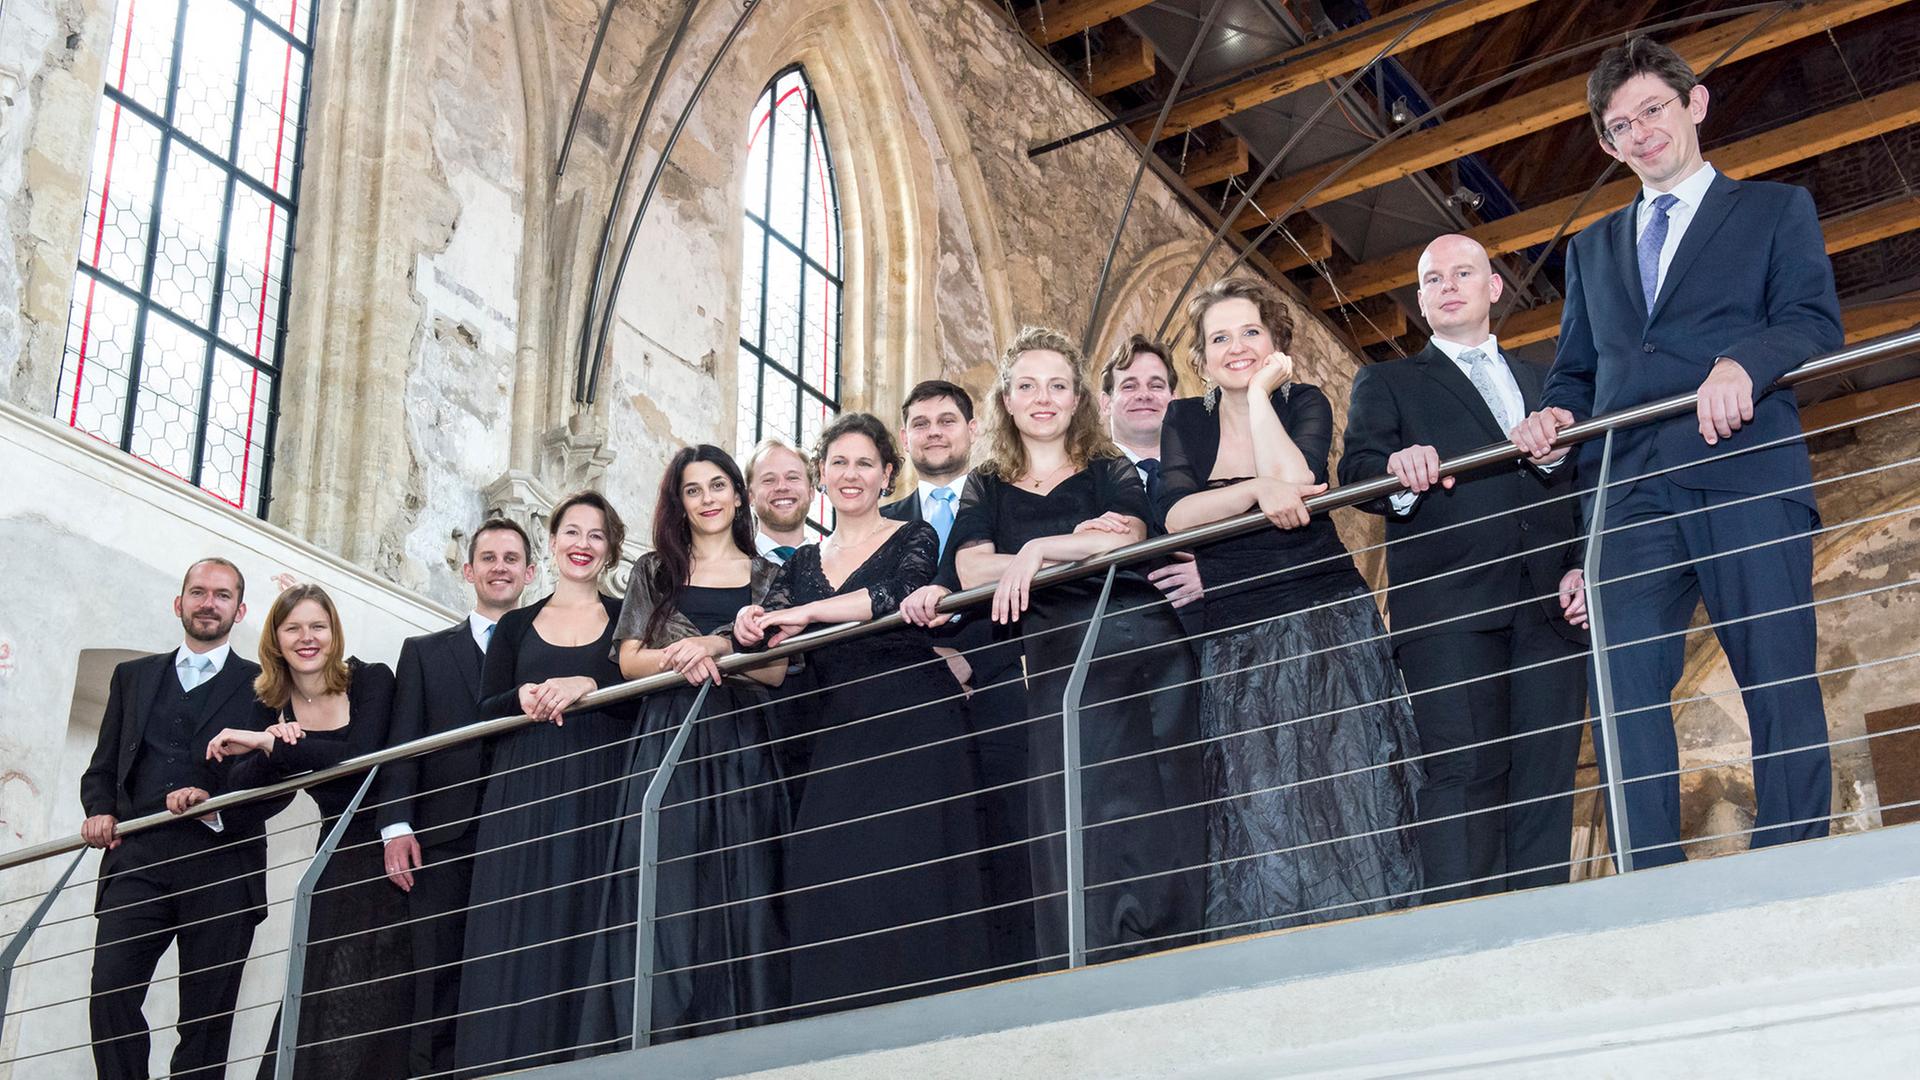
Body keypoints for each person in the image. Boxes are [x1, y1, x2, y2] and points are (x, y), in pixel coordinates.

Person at [1509, 36, 1842, 868]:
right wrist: (1552, 421)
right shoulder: (1590, 249)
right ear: (1607, 145)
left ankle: (1794, 865)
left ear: (1695, 105)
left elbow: (1811, 320)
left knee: (1775, 675)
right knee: (1623, 693)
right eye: (1620, 126)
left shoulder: (1776, 209)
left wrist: (1744, 363)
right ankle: (1648, 881)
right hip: (1627, 494)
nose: (1641, 133)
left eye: (1652, 110)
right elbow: (1576, 374)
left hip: (1743, 470)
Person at [1159, 278, 1424, 935]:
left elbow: (1299, 481)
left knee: (1353, 785)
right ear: (1201, 358)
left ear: (1275, 341)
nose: (1236, 347)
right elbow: (1177, 515)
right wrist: (1255, 488)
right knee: (1262, 806)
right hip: (1237, 633)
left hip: (1326, 615)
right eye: (1219, 338)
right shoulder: (1184, 419)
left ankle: (1381, 940)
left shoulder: (1303, 400)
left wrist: (1257, 399)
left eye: (1250, 332)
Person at [1339, 235, 1588, 899]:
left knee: (1546, 783)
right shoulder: (1387, 382)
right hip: (1448, 608)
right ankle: (1457, 938)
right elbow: (1358, 470)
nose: (1448, 286)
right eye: (1433, 279)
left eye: (1463, 273)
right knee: (1462, 776)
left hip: (1552, 607)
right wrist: (1395, 470)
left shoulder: (1548, 380)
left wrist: (1583, 564)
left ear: (1493, 287)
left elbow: (1587, 483)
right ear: (1420, 300)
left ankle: (1541, 938)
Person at [948, 327, 1204, 963]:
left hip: (1139, 644)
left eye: (1057, 386)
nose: (1043, 398)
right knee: (1073, 813)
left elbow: (1128, 539)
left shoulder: (1107, 467)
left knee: (1152, 808)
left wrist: (1035, 551)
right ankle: (1090, 968)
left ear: (1078, 400)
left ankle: (1170, 957)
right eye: (1028, 386)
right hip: (1058, 658)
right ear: (1007, 399)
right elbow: (972, 571)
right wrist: (1074, 545)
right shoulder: (985, 483)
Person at [733, 412, 992, 1014]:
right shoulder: (799, 563)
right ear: (822, 476)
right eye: (839, 463)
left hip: (914, 714)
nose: (851, 474)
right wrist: (749, 622)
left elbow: (894, 597)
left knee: (915, 867)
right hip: (837, 725)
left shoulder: (914, 535)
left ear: (887, 476)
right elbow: (769, 628)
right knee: (828, 868)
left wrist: (806, 614)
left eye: (865, 464)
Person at [580, 445, 793, 1046]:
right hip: (666, 739)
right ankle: (656, 1039)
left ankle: (744, 1041)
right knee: (664, 884)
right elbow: (628, 661)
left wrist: (717, 647)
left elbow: (776, 669)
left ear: (739, 495)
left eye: (718, 485)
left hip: (741, 743)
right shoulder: (654, 571)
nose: (707, 499)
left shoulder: (769, 576)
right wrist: (684, 657)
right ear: (679, 503)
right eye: (693, 490)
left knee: (743, 883)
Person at [80, 558, 284, 1080]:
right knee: (110, 995)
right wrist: (99, 810)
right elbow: (102, 767)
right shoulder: (132, 677)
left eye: (222, 595)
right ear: (179, 603)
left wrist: (216, 805)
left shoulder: (266, 685)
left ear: (240, 611)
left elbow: (277, 780)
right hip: (137, 861)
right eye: (198, 592)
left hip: (223, 865)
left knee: (206, 1020)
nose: (208, 603)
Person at [454, 492, 636, 1072]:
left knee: (587, 920)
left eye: (596, 535)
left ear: (610, 549)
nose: (582, 544)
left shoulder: (628, 617)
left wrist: (591, 684)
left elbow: (643, 701)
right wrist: (522, 697)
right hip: (522, 791)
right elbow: (485, 708)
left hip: (601, 786)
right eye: (571, 532)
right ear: (552, 542)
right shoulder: (514, 625)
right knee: (512, 930)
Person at [209, 584, 407, 1078]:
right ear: (275, 639)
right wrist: (270, 743)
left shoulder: (372, 679)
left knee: (385, 988)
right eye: (293, 628)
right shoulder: (271, 703)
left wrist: (271, 746)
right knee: (323, 987)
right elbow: (240, 796)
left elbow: (361, 759)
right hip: (336, 854)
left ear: (334, 633)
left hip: (392, 845)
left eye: (318, 626)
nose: (307, 638)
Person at [373, 518, 535, 1074]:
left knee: (511, 969)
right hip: (444, 838)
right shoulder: (424, 652)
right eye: (488, 558)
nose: (499, 568)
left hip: (524, 829)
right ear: (468, 571)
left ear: (530, 573)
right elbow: (405, 740)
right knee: (437, 976)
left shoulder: (546, 647)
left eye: (511, 559)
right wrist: (396, 826)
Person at [886, 379, 1037, 974]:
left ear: (973, 430)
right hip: (918, 697)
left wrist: (976, 656)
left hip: (1002, 678)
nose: (934, 432)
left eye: (947, 420)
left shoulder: (1009, 500)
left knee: (1012, 826)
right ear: (904, 438)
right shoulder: (885, 520)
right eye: (920, 423)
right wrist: (935, 660)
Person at [1099, 335, 1206, 617]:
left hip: (1220, 626)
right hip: (1124, 629)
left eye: (1156, 385)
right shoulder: (1082, 478)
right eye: (1129, 385)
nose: (1144, 395)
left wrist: (1215, 572)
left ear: (1174, 399)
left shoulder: (1211, 467)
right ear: (1105, 403)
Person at [745, 436, 814, 562]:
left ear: (811, 491)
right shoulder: (730, 567)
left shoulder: (836, 565)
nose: (782, 487)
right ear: (750, 495)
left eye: (792, 478)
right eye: (769, 480)